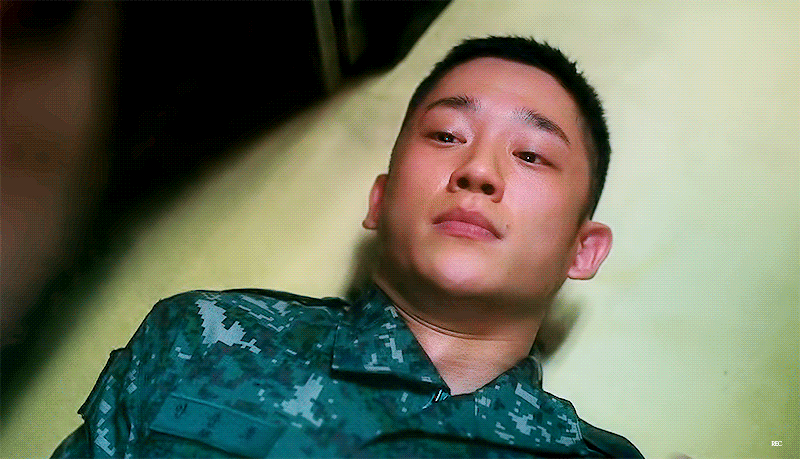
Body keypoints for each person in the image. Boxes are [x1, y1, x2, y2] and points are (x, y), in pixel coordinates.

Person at [52, 36, 643, 458]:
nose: (479, 171)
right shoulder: (202, 338)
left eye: (531, 154)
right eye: (446, 135)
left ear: (583, 250)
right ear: (380, 201)